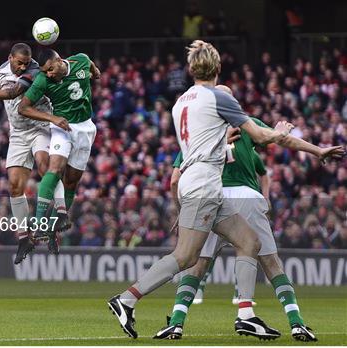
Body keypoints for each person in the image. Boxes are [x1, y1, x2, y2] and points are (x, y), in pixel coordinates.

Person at [108, 40, 296, 340]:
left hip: (198, 184)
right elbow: (260, 135)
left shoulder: (181, 101)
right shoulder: (219, 99)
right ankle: (126, 299)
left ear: (191, 70)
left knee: (249, 242)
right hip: (204, 185)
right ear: (218, 69)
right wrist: (282, 132)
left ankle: (246, 315)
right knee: (185, 257)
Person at [155, 84, 343, 341]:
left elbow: (175, 179)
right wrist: (318, 150)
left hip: (212, 197)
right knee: (270, 263)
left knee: (197, 265)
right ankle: (295, 322)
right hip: (246, 197)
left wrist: (182, 210)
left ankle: (176, 323)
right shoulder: (247, 123)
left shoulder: (199, 133)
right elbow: (282, 139)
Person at [0, 43, 65, 263]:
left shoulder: (35, 70)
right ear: (10, 58)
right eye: (19, 63)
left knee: (44, 165)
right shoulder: (4, 67)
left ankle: (57, 219)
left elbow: (13, 91)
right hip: (18, 133)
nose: (22, 67)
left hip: (40, 127)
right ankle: (24, 238)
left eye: (25, 63)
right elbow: (1, 81)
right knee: (15, 186)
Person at [18, 49, 100, 254]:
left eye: (51, 69)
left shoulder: (81, 60)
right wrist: (53, 119)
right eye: (46, 72)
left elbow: (92, 67)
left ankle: (53, 227)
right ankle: (38, 224)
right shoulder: (43, 80)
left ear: (59, 61)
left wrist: (95, 73)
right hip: (61, 128)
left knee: (71, 181)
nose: (49, 74)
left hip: (86, 128)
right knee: (54, 170)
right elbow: (23, 107)